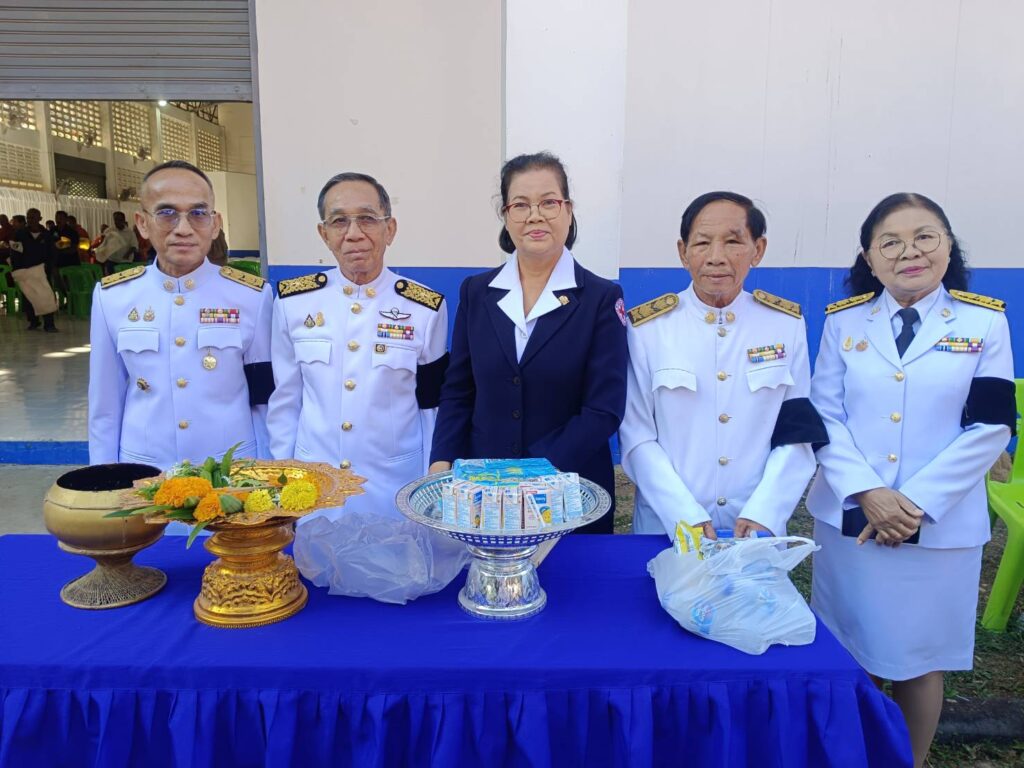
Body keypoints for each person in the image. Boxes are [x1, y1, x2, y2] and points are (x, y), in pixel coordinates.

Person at [806, 193, 1015, 768]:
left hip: (941, 523)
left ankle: (909, 761)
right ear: (869, 258)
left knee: (919, 661)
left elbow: (992, 424)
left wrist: (914, 502)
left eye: (925, 237)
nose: (909, 252)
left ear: (948, 246)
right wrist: (868, 493)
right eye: (890, 242)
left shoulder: (983, 320)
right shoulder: (844, 322)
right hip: (851, 516)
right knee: (851, 651)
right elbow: (825, 415)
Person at [428, 152, 627, 533]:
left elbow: (604, 409)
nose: (535, 216)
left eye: (548, 202)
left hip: (569, 492)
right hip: (483, 497)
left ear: (568, 210)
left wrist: (527, 476)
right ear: (505, 215)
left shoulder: (600, 298)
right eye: (520, 205)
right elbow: (458, 390)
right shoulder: (477, 292)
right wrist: (442, 461)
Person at [619, 192, 827, 541]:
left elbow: (796, 431)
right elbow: (636, 436)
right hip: (669, 525)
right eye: (702, 243)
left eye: (733, 242)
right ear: (683, 252)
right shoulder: (648, 329)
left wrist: (766, 511)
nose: (716, 257)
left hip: (756, 526)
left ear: (758, 249)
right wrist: (683, 515)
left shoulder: (784, 324)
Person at [267, 172, 449, 521]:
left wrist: (430, 491)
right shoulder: (292, 303)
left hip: (394, 491)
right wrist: (284, 483)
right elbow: (286, 401)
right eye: (339, 221)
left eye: (367, 219)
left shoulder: (424, 308)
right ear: (324, 234)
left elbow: (431, 408)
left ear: (389, 229)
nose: (353, 234)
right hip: (314, 491)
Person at [88, 160, 274, 468]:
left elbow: (263, 399)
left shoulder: (252, 296)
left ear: (215, 224)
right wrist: (105, 480)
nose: (183, 229)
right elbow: (104, 405)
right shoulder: (113, 298)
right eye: (167, 213)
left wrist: (268, 478)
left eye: (198, 213)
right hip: (145, 470)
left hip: (230, 471)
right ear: (142, 224)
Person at [9, 209, 58, 331]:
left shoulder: (46, 235)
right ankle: (33, 321)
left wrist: (50, 267)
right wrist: (17, 269)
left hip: (42, 271)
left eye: (33, 217)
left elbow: (51, 253)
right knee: (29, 296)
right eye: (28, 217)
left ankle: (49, 324)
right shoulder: (20, 234)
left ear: (39, 219)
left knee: (46, 296)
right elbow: (15, 252)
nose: (30, 220)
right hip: (25, 271)